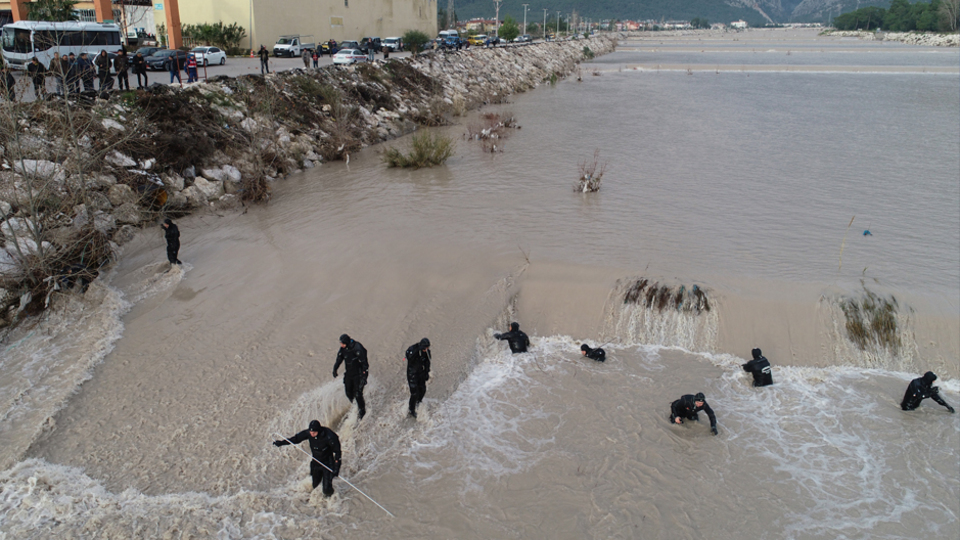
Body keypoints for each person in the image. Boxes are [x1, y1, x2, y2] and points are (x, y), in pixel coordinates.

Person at [273, 420, 342, 497]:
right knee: (315, 485)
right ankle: (318, 499)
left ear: (318, 431)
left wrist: (336, 468)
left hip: (327, 464)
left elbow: (337, 453)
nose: (311, 434)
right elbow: (295, 439)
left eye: (314, 432)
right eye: (310, 432)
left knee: (326, 489)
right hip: (316, 462)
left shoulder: (330, 436)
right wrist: (281, 443)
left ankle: (331, 499)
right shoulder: (308, 433)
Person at [333, 334, 368, 419]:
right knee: (348, 392)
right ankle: (355, 406)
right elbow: (339, 359)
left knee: (358, 393)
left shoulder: (357, 348)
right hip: (349, 374)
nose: (341, 345)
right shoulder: (343, 349)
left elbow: (365, 363)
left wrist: (364, 376)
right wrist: (335, 369)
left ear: (347, 342)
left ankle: (362, 413)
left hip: (358, 374)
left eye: (342, 343)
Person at [404, 338, 432, 417]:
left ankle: (418, 402)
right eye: (425, 348)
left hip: (421, 372)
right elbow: (408, 356)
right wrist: (418, 350)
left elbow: (427, 362)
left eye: (427, 348)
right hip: (412, 373)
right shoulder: (413, 349)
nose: (426, 349)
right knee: (414, 392)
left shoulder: (427, 352)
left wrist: (427, 372)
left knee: (423, 389)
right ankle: (411, 409)